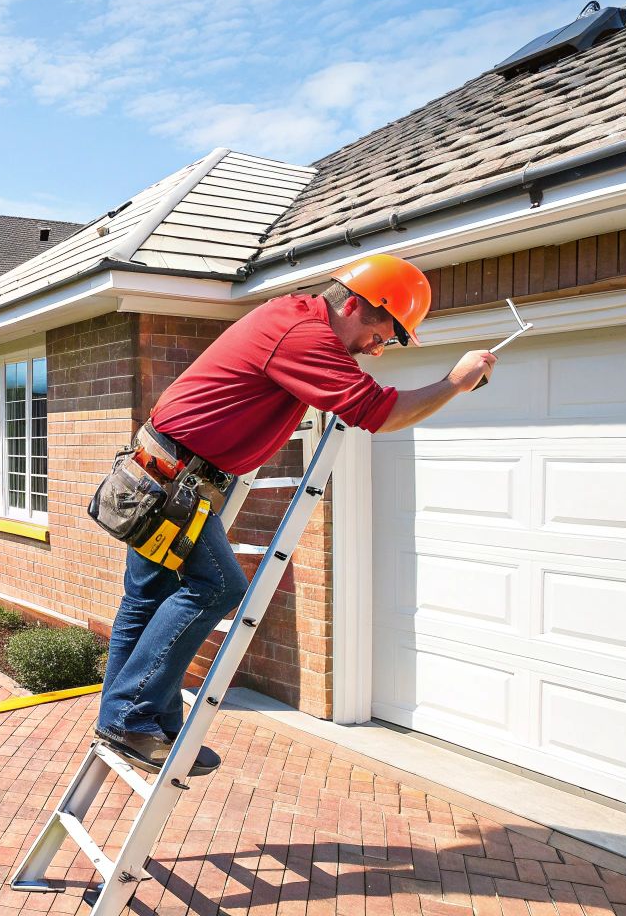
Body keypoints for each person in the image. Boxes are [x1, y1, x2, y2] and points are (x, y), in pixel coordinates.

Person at [95, 253, 497, 774]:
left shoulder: (294, 318)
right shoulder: (304, 335)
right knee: (217, 588)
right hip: (176, 481)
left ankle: (141, 716)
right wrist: (456, 383)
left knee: (147, 598)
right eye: (386, 333)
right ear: (354, 304)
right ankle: (133, 716)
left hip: (164, 472)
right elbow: (380, 412)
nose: (380, 348)